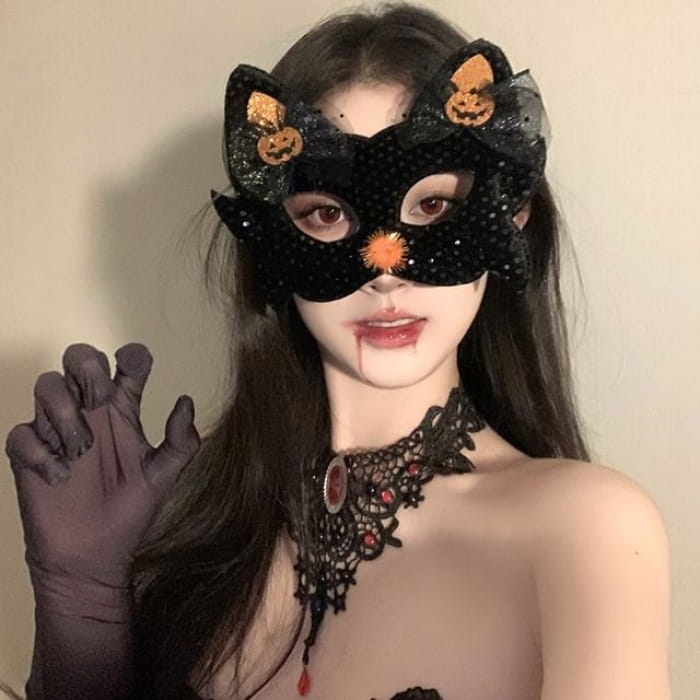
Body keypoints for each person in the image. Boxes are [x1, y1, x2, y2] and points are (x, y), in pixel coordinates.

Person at [4, 3, 671, 700]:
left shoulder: (584, 535)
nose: (384, 271)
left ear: (509, 217)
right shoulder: (204, 534)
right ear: (270, 236)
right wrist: (83, 608)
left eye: (433, 206)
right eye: (326, 214)